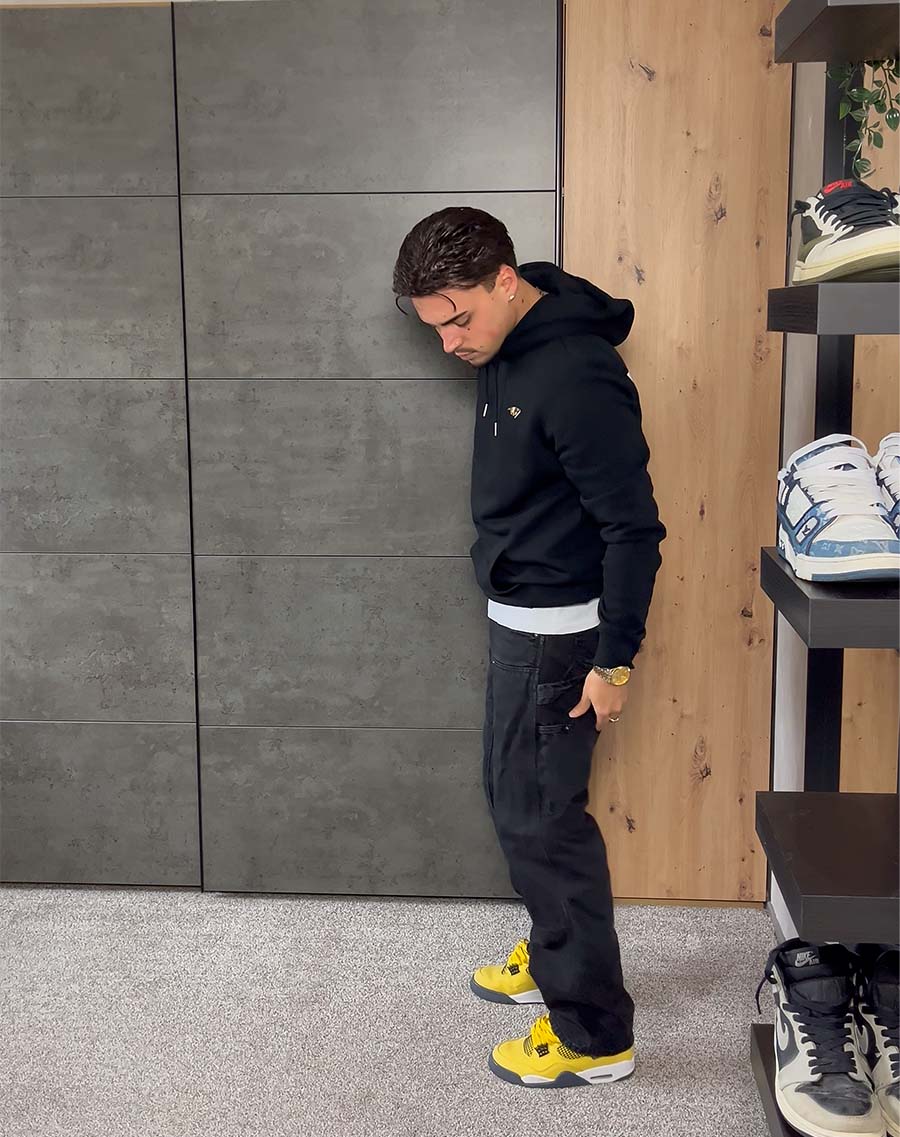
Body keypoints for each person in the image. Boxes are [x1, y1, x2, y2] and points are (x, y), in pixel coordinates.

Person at [392, 207, 666, 1089]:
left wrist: (614, 661)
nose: (449, 345)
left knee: (545, 824)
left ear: (506, 282)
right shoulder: (507, 333)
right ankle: (555, 942)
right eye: (433, 328)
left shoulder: (578, 373)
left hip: (561, 639)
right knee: (516, 803)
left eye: (458, 319)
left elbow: (634, 529)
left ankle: (593, 1033)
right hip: (519, 618)